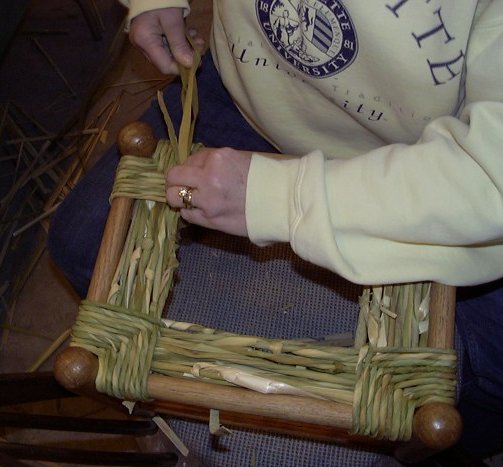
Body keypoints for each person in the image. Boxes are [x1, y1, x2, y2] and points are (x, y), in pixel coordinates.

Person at [48, 0, 503, 464]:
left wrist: (278, 199)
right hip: (252, 92)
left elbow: (491, 175)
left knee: (481, 378)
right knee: (79, 243)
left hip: (427, 166)